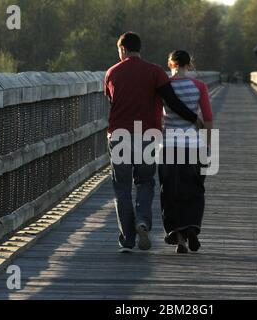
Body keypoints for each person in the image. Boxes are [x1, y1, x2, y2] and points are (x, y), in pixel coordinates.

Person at [104, 32, 204, 253]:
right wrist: (193, 118)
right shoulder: (156, 72)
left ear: (122, 49)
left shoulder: (112, 72)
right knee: (145, 181)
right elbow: (172, 101)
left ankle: (128, 239)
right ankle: (142, 222)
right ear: (139, 49)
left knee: (121, 186)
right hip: (148, 134)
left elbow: (112, 101)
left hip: (119, 134)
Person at [159, 50, 214, 254]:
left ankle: (179, 236)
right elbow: (207, 117)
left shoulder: (164, 87)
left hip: (169, 144)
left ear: (170, 64)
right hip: (194, 144)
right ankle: (192, 228)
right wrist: (209, 146)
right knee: (195, 188)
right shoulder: (199, 86)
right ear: (189, 65)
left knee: (170, 190)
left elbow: (158, 117)